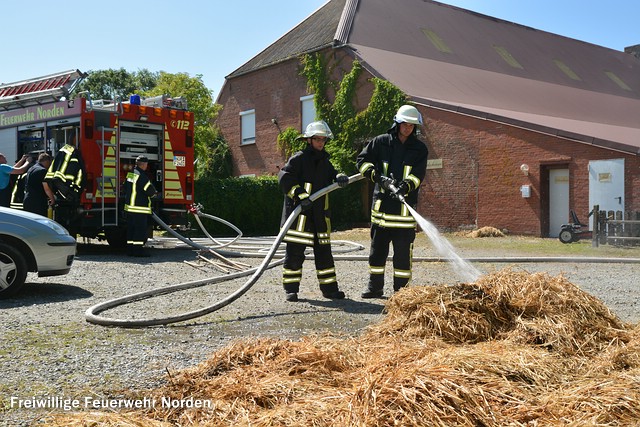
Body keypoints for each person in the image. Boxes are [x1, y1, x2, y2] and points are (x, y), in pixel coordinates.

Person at [356, 105, 429, 298]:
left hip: (404, 216)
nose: (408, 128)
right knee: (376, 254)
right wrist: (378, 177)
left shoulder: (419, 149)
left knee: (403, 258)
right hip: (381, 214)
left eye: (412, 125)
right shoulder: (380, 142)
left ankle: (402, 293)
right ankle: (374, 288)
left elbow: (418, 175)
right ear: (397, 123)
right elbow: (361, 161)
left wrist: (405, 186)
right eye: (405, 124)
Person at [278, 120, 350, 302]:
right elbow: (285, 178)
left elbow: (332, 175)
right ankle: (291, 290)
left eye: (323, 140)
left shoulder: (325, 161)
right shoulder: (298, 159)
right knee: (294, 254)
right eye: (317, 139)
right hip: (300, 219)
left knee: (325, 255)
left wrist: (339, 177)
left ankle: (330, 290)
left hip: (319, 217)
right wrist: (299, 194)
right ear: (308, 140)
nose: (320, 143)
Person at [123, 155, 157, 257]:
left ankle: (130, 250)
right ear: (143, 165)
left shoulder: (131, 175)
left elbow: (125, 187)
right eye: (146, 164)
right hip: (139, 209)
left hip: (129, 208)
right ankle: (138, 251)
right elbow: (150, 191)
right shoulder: (142, 177)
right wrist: (155, 193)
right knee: (140, 230)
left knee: (131, 229)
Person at [23, 153, 55, 217]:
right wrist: (52, 199)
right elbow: (46, 188)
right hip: (37, 202)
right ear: (47, 161)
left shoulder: (31, 169)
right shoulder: (42, 171)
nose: (50, 165)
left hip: (27, 199)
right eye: (50, 163)